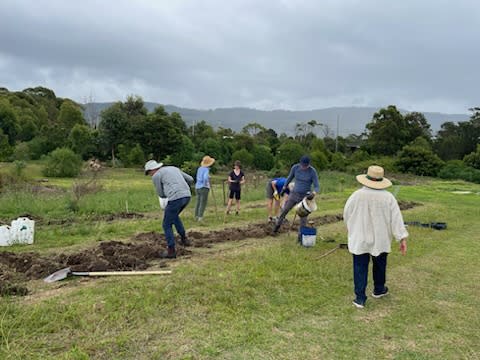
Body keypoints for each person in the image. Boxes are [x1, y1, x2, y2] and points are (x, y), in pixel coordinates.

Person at [343, 165, 408, 309]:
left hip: (360, 237)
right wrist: (401, 238)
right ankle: (378, 289)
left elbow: (346, 214)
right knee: (380, 264)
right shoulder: (388, 197)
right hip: (381, 238)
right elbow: (396, 219)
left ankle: (360, 298)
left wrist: (351, 229)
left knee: (360, 266)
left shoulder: (356, 195)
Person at [144, 160, 194, 259]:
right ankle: (184, 239)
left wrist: (166, 195)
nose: (150, 175)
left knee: (166, 224)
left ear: (152, 170)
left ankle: (171, 251)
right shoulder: (174, 168)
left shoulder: (156, 175)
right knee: (174, 217)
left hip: (175, 198)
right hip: (187, 195)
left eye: (149, 172)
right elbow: (191, 179)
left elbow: (160, 193)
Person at [273, 155, 320, 238]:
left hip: (304, 197)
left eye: (306, 166)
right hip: (294, 194)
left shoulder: (312, 172)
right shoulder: (295, 168)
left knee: (303, 217)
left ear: (309, 164)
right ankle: (276, 227)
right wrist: (284, 187)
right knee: (284, 210)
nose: (304, 167)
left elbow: (317, 186)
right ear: (300, 163)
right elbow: (289, 178)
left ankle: (301, 236)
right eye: (302, 165)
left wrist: (313, 193)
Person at [194, 155, 215, 221]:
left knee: (198, 201)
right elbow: (205, 178)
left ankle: (196, 216)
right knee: (203, 202)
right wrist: (206, 182)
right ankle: (200, 217)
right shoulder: (206, 169)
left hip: (197, 187)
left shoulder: (199, 169)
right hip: (204, 187)